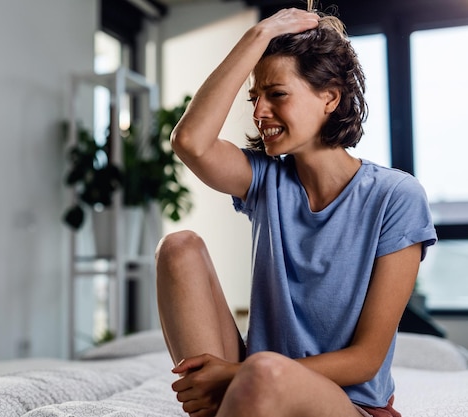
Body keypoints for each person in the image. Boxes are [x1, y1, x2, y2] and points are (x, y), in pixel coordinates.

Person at [155, 6, 437, 417]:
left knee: (264, 371)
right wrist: (257, 37)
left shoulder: (396, 196)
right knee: (178, 247)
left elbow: (366, 359)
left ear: (329, 97)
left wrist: (237, 372)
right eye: (255, 98)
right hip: (257, 386)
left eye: (277, 94)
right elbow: (191, 143)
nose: (258, 113)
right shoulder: (266, 180)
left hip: (347, 405)